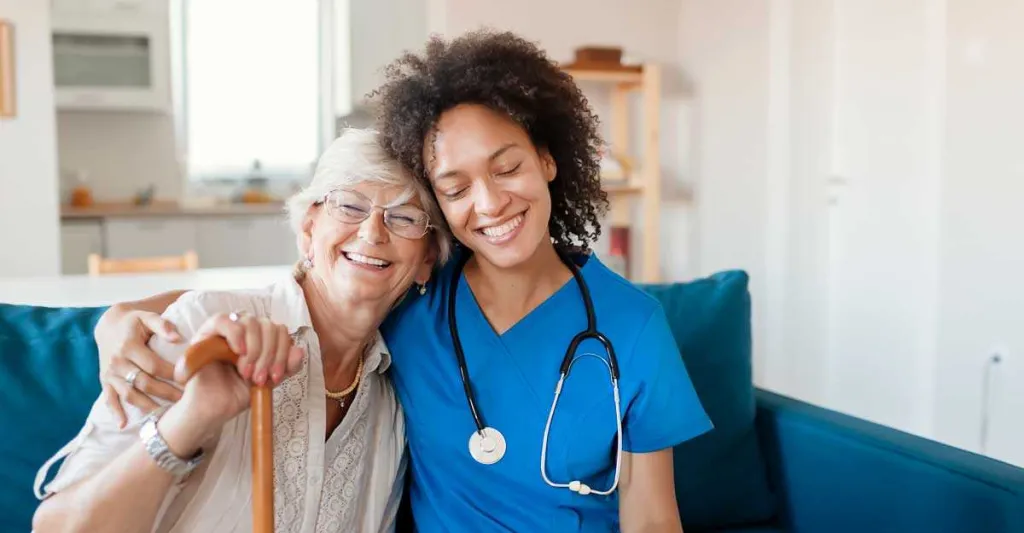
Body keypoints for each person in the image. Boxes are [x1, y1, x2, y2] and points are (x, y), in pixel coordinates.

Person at [85, 30, 713, 532]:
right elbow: (295, 293)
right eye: (455, 188)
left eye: (508, 167)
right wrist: (116, 319)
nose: (489, 203)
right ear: (439, 210)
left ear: (548, 160)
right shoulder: (416, 295)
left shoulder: (632, 328)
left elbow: (653, 518)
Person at [32, 128, 449, 533]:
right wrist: (192, 418)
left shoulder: (391, 403)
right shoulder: (200, 328)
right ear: (308, 229)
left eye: (404, 217)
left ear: (428, 257)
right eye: (350, 207)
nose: (372, 232)